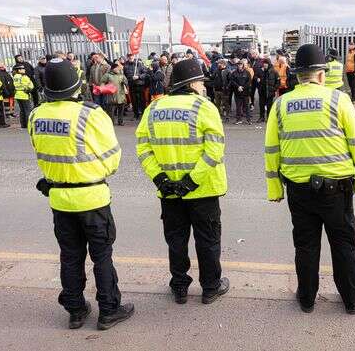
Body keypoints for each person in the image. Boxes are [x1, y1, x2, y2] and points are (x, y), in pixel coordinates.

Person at [264, 44, 355, 315]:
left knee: (306, 246)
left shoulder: (280, 105)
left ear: (296, 75)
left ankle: (307, 300)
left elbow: (272, 151)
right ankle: (350, 300)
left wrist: (275, 189)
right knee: (344, 245)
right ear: (322, 74)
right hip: (338, 189)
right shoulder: (339, 100)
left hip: (299, 191)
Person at [28, 58, 133, 330]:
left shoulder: (36, 115)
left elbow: (41, 153)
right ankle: (109, 309)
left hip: (60, 199)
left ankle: (75, 310)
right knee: (102, 256)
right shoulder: (91, 114)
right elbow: (112, 160)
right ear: (76, 86)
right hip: (93, 198)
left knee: (70, 256)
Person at [135, 58, 230, 305]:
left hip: (168, 191)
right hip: (203, 190)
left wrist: (160, 178)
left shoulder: (153, 109)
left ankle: (179, 287)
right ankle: (210, 287)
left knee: (176, 241)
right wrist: (191, 181)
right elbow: (214, 151)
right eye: (200, 82)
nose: (203, 86)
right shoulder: (204, 107)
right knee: (207, 241)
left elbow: (144, 149)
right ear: (192, 83)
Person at [123, 53, 146, 120]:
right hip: (131, 85)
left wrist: (138, 77)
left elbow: (145, 73)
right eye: (129, 56)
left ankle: (144, 114)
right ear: (127, 57)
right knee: (134, 100)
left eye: (132, 56)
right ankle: (136, 115)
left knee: (142, 100)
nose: (131, 57)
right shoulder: (125, 65)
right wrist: (125, 84)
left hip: (140, 84)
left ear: (134, 56)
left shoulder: (139, 64)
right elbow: (124, 75)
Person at [257, 58, 279, 123]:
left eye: (266, 63)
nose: (264, 65)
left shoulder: (274, 71)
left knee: (269, 106)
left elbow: (278, 81)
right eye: (264, 63)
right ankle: (262, 117)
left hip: (270, 92)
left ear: (269, 64)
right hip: (262, 91)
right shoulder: (260, 71)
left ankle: (269, 118)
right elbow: (255, 77)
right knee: (261, 105)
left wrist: (274, 89)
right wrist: (257, 79)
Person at [230, 60, 251, 125]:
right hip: (237, 92)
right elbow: (232, 81)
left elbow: (249, 81)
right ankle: (239, 119)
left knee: (247, 106)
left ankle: (248, 120)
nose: (239, 66)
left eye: (241, 64)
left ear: (243, 65)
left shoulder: (247, 72)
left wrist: (243, 87)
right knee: (238, 107)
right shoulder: (234, 73)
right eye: (238, 64)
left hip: (245, 92)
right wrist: (238, 87)